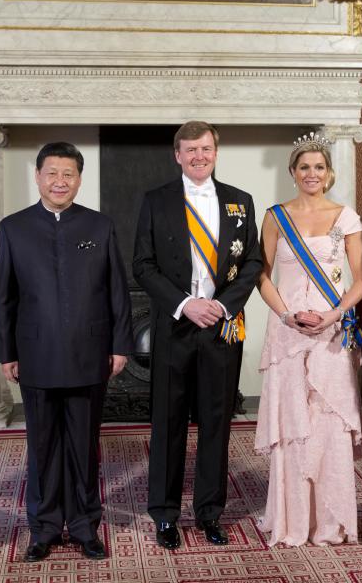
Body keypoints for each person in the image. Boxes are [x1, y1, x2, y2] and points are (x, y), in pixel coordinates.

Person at [0, 142, 133, 562]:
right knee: (42, 446)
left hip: (90, 354)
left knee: (85, 446)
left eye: (68, 173)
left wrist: (120, 345)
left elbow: (117, 292)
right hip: (34, 354)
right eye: (51, 172)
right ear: (37, 176)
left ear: (78, 179)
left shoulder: (99, 226)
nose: (59, 181)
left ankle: (86, 526)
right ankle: (44, 527)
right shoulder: (13, 227)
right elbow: (5, 295)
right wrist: (6, 352)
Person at [133, 120, 263, 550]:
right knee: (168, 425)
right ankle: (165, 514)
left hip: (222, 329)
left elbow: (252, 264)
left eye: (205, 148)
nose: (198, 156)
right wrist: (185, 303)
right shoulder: (155, 200)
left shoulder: (240, 202)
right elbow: (143, 265)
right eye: (190, 150)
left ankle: (209, 512)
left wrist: (223, 306)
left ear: (216, 150)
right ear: (177, 155)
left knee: (215, 425)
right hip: (175, 327)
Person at [253, 133, 362, 546]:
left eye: (319, 167)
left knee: (327, 419)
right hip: (287, 331)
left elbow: (360, 279)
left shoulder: (346, 217)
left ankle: (331, 520)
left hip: (330, 331)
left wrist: (334, 314)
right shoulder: (274, 216)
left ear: (329, 173)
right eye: (304, 167)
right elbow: (261, 275)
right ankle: (291, 519)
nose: (312, 174)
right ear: (293, 172)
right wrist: (286, 314)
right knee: (293, 423)